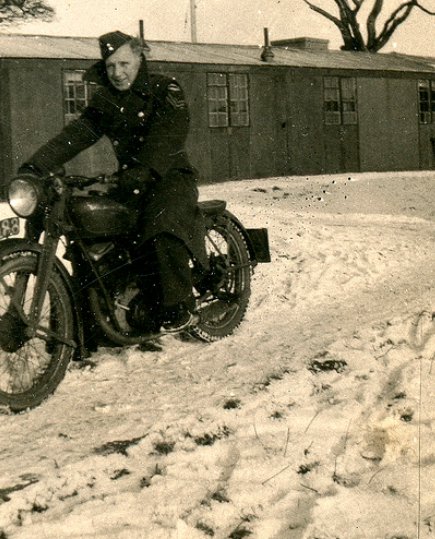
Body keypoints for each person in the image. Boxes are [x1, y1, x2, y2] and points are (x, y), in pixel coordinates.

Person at [19, 30, 207, 333]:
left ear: (138, 59)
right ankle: (93, 325)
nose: (117, 73)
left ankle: (179, 308)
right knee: (89, 235)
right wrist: (35, 165)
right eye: (110, 66)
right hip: (128, 181)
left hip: (168, 177)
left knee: (161, 227)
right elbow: (76, 135)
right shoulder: (107, 100)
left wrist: (144, 170)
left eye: (124, 64)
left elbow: (170, 134)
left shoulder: (164, 88)